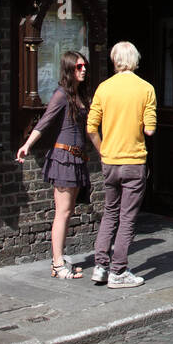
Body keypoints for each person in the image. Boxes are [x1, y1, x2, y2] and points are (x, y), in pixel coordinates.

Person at [16, 50, 93, 279]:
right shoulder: (61, 95)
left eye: (85, 66)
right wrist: (27, 145)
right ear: (69, 69)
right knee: (62, 212)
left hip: (77, 158)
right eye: (79, 67)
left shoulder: (78, 95)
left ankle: (59, 259)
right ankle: (58, 264)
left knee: (68, 212)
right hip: (64, 159)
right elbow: (45, 122)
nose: (84, 70)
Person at [87, 41, 157, 288]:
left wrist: (103, 149)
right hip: (133, 162)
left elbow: (91, 127)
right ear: (135, 59)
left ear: (115, 59)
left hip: (110, 162)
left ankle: (100, 266)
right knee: (127, 218)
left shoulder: (103, 88)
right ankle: (118, 271)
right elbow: (150, 129)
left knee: (109, 213)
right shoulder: (145, 88)